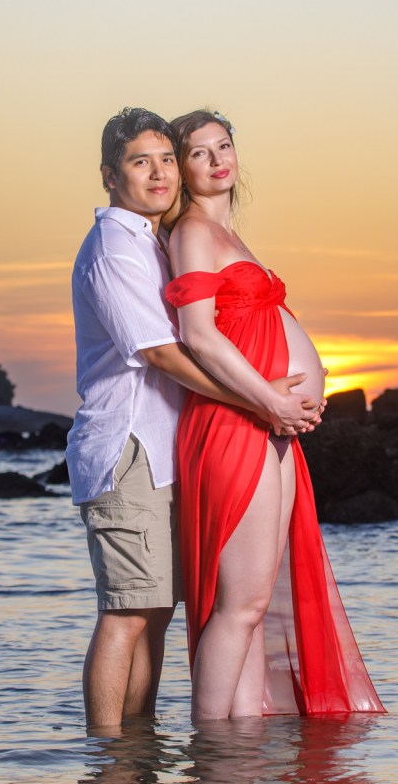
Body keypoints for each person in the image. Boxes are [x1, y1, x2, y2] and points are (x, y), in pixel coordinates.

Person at [68, 107, 320, 731]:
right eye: (141, 162)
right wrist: (261, 400)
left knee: (154, 609)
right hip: (128, 446)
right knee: (128, 610)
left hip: (167, 445)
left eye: (164, 160)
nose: (159, 173)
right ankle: (109, 755)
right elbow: (162, 350)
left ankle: (140, 747)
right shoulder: (115, 248)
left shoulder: (152, 242)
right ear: (109, 175)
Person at [163, 109, 385, 721]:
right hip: (236, 425)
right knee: (239, 605)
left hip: (269, 425)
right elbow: (199, 336)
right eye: (200, 152)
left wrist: (286, 403)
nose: (217, 160)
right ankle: (212, 746)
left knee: (255, 607)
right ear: (182, 168)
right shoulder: (192, 233)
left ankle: (243, 746)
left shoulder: (230, 236)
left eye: (224, 146)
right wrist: (271, 399)